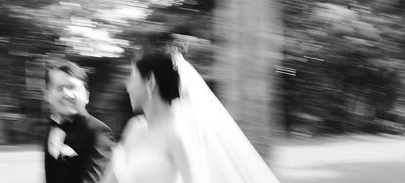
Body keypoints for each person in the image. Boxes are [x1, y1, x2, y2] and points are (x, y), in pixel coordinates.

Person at [101, 49, 280, 183]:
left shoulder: (177, 134)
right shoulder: (135, 128)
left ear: (150, 82)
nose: (127, 85)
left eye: (132, 77)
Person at [44, 60, 114, 183]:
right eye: (60, 88)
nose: (66, 94)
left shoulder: (98, 133)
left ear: (86, 95)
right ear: (48, 95)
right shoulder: (51, 129)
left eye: (72, 87)